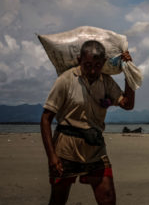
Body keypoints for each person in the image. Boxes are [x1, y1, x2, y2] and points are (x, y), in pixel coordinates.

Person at [40, 40, 135, 205]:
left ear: (104, 63)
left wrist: (128, 71)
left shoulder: (106, 82)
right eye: (88, 64)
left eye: (97, 65)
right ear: (79, 60)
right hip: (66, 149)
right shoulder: (66, 80)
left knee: (107, 199)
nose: (92, 70)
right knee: (58, 200)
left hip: (96, 148)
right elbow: (45, 119)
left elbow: (127, 104)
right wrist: (52, 157)